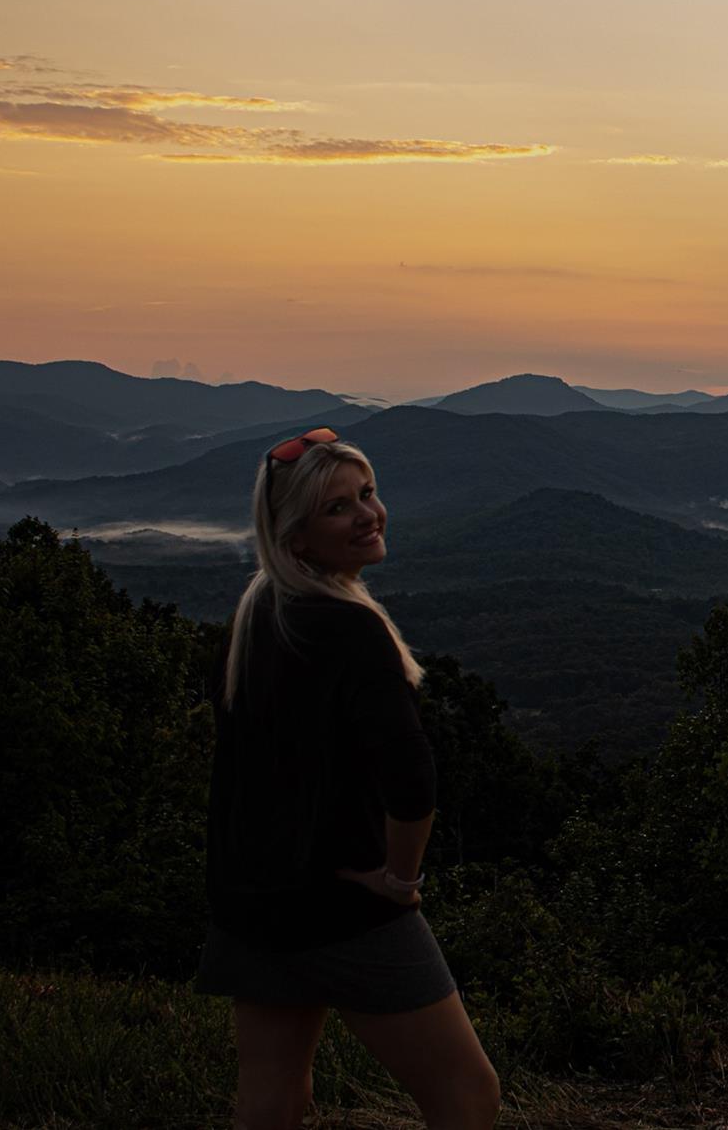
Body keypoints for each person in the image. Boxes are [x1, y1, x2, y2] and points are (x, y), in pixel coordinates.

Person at [195, 427, 500, 1130]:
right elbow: (412, 779)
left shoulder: (255, 615)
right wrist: (399, 880)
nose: (368, 513)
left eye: (367, 492)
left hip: (253, 898)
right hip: (344, 908)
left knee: (272, 1101)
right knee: (467, 1093)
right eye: (338, 507)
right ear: (297, 537)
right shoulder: (351, 629)